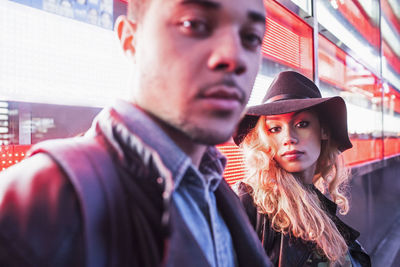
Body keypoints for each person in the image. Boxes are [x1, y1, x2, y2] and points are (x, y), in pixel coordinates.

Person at [0, 0, 272, 266]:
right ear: (130, 40)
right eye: (194, 24)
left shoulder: (212, 185)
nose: (234, 57)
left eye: (250, 37)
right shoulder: (41, 202)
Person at [233, 71, 371, 266]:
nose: (289, 138)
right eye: (275, 129)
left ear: (323, 130)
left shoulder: (316, 202)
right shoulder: (251, 201)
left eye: (301, 124)